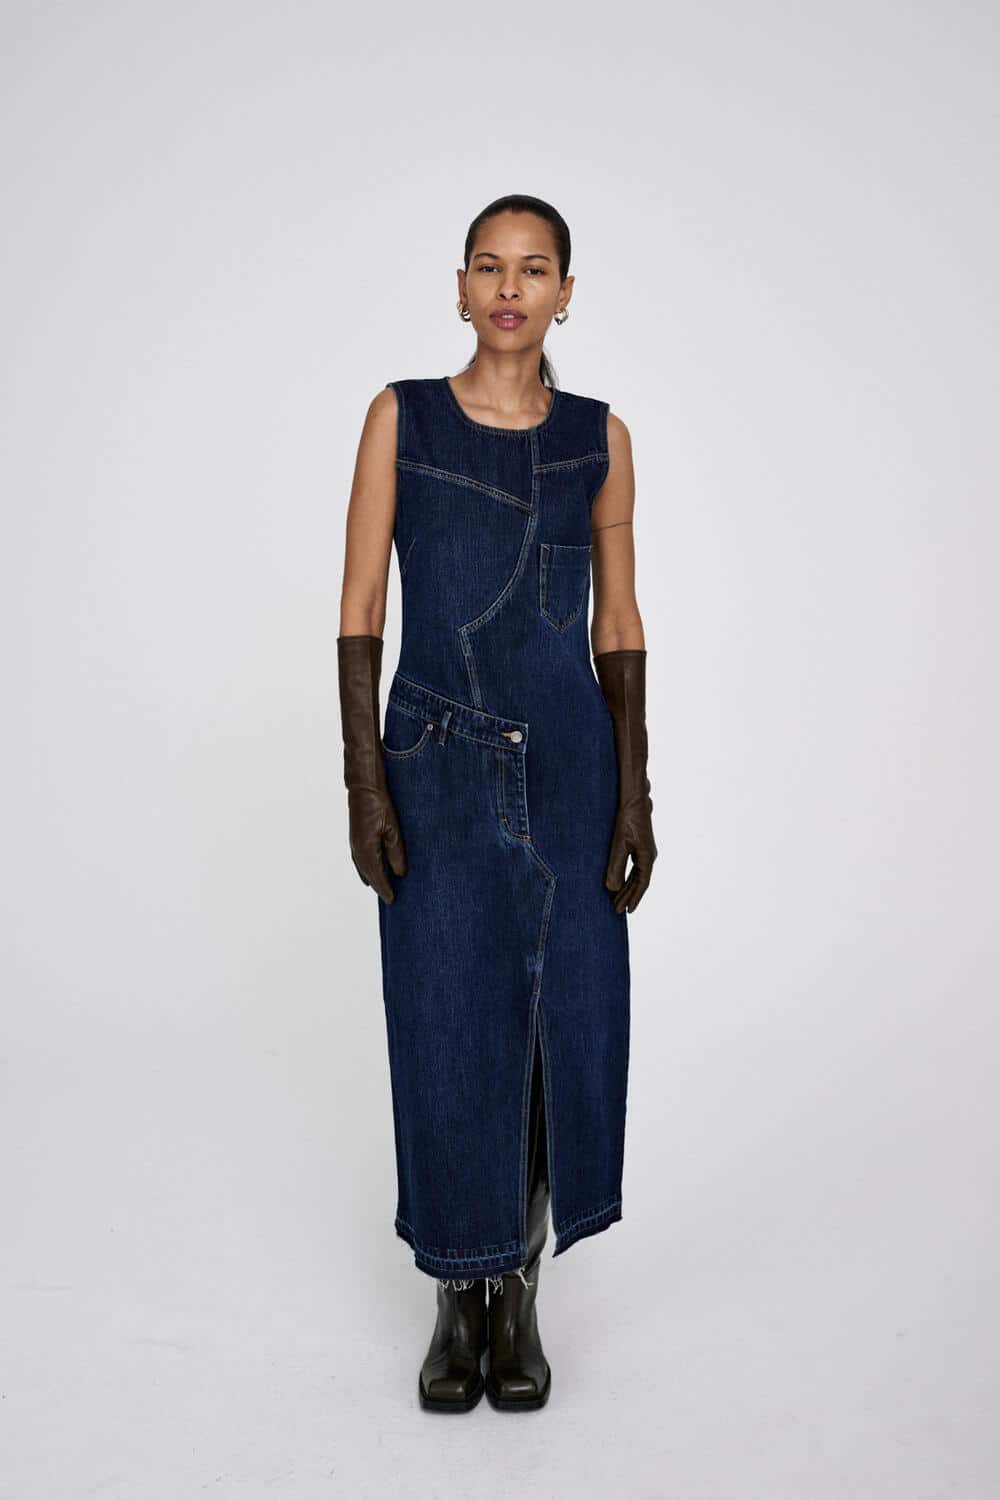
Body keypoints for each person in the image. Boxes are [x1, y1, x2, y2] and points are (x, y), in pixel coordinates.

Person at [337, 194, 656, 1413]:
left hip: (570, 765)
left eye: (533, 270)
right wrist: (365, 782)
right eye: (488, 266)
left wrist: (634, 791)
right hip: (434, 759)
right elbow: (362, 602)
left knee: (556, 1025)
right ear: (461, 288)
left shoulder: (599, 438)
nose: (509, 287)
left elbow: (617, 619)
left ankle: (515, 1287)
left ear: (565, 295)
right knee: (443, 1020)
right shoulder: (401, 417)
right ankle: (453, 1288)